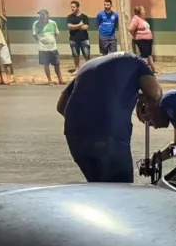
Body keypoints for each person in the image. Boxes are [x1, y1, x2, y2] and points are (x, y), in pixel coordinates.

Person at [56, 52, 161, 183]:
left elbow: (61, 105)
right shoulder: (139, 63)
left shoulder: (88, 66)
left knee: (99, 187)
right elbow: (155, 94)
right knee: (120, 189)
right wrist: (148, 110)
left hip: (74, 138)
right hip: (108, 135)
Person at [32, 9, 63, 85]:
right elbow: (34, 34)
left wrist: (51, 40)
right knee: (46, 65)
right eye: (40, 14)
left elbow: (56, 33)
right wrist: (40, 41)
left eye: (43, 14)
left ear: (47, 15)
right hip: (43, 48)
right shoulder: (36, 24)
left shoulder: (53, 23)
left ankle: (60, 79)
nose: (42, 16)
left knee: (57, 64)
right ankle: (49, 80)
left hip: (53, 48)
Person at [129, 5, 157, 73]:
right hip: (141, 39)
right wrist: (135, 35)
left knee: (149, 54)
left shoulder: (142, 18)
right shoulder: (135, 18)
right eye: (143, 10)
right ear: (139, 12)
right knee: (144, 55)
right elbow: (131, 29)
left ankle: (153, 69)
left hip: (148, 39)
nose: (144, 11)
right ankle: (146, 70)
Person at [66, 0, 90, 72]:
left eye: (73, 7)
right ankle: (77, 69)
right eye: (71, 7)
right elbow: (69, 27)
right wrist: (79, 25)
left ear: (77, 7)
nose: (72, 8)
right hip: (73, 39)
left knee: (87, 55)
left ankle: (88, 69)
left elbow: (86, 27)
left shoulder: (84, 17)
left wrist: (74, 27)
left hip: (84, 39)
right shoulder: (69, 17)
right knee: (75, 55)